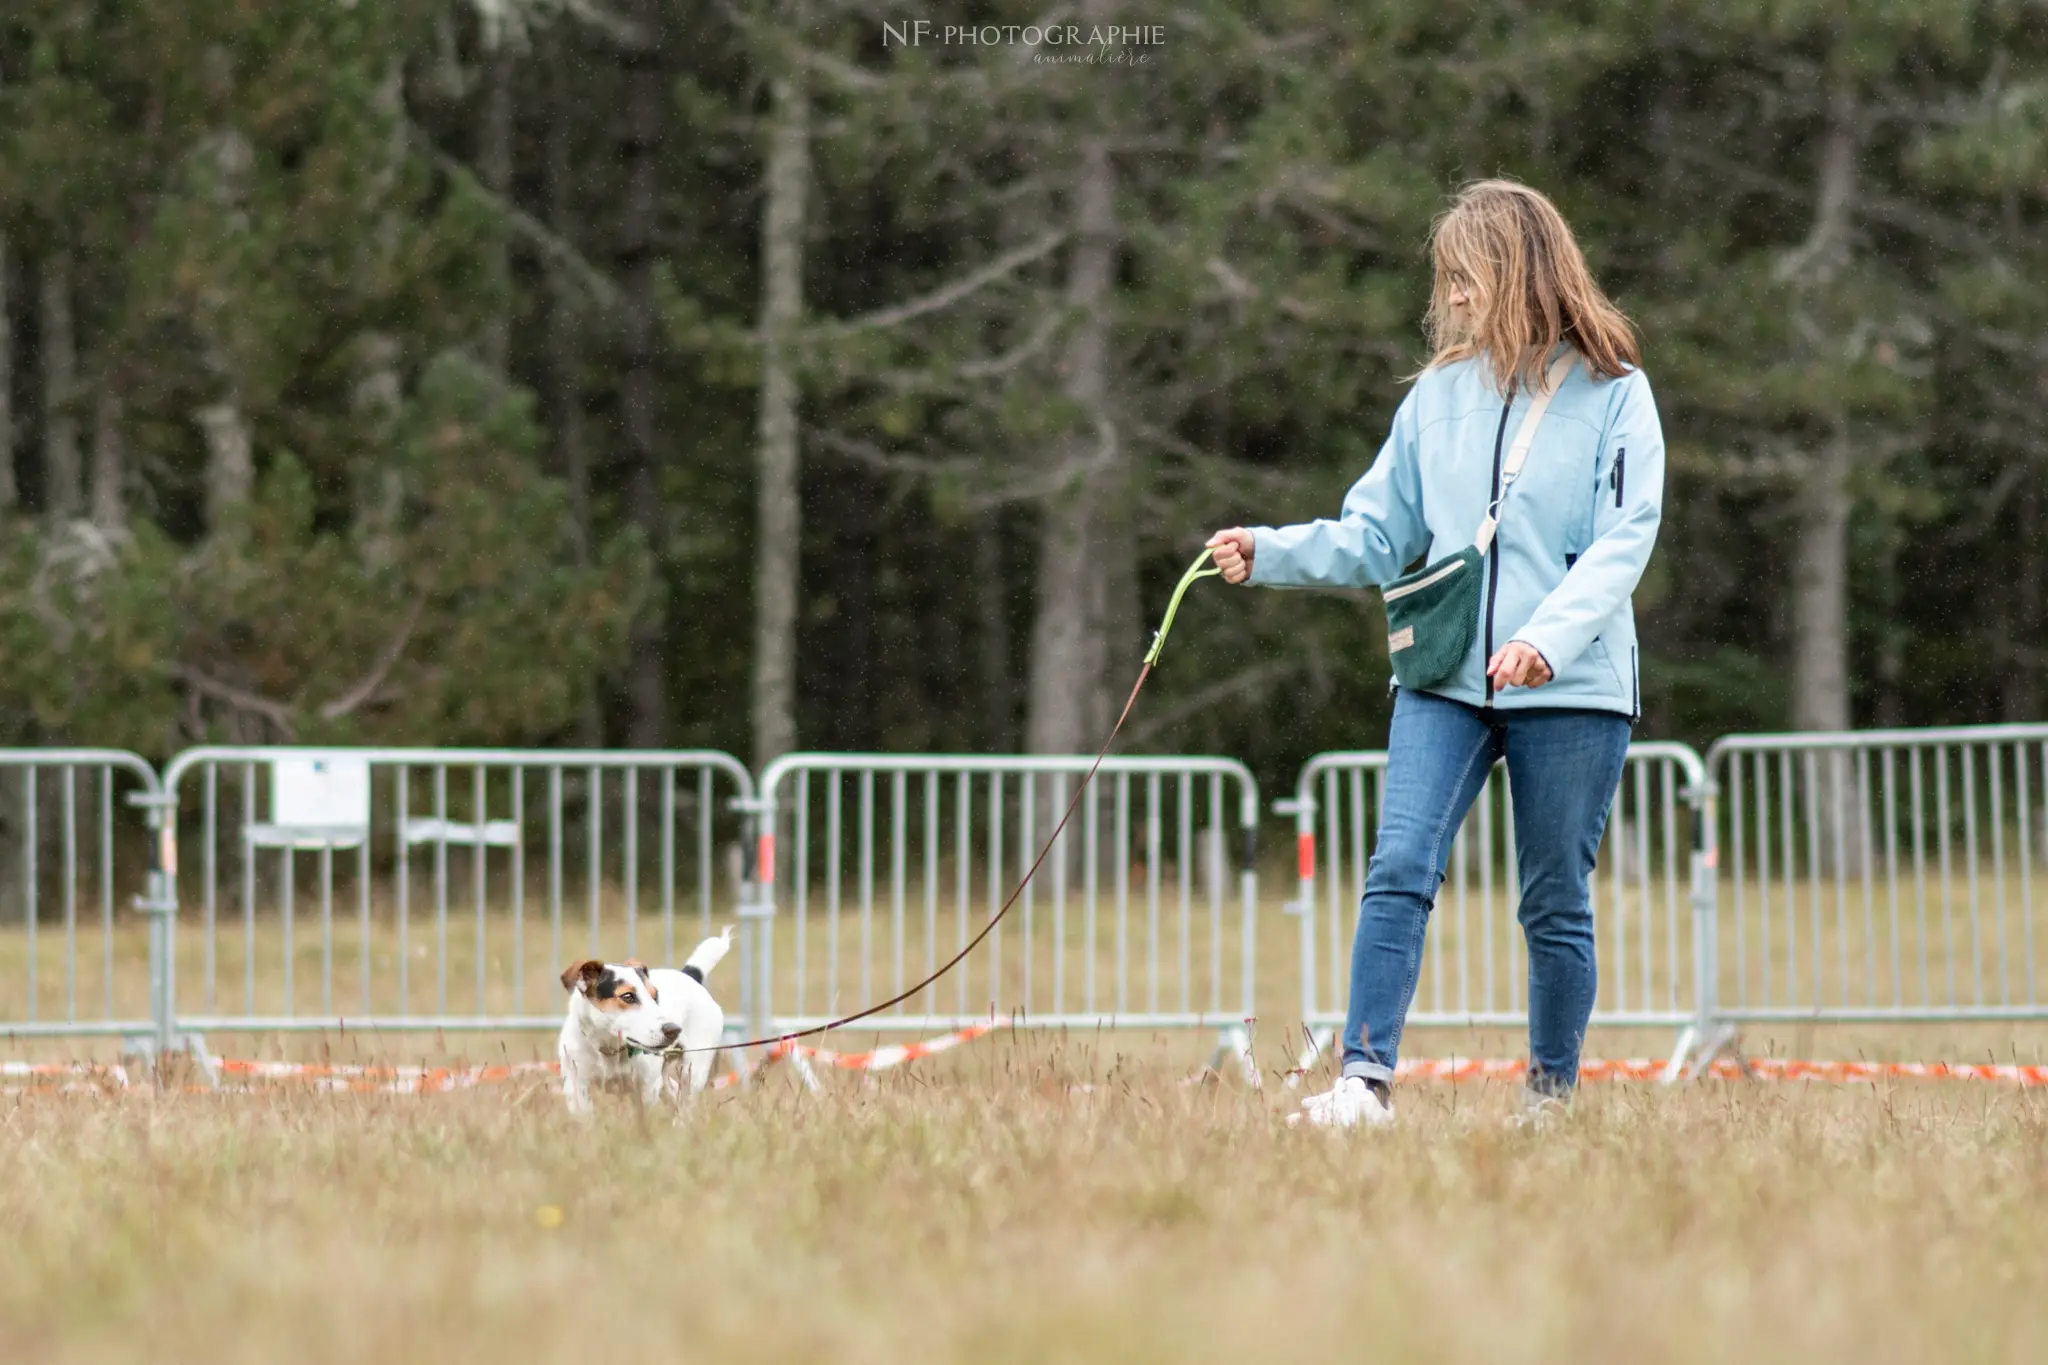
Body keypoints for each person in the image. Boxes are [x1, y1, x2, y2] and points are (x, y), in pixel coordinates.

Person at [1207, 179, 1665, 1127]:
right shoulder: (1434, 401)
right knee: (1399, 863)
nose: (1451, 299)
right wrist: (1270, 550)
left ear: (1520, 271)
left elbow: (1628, 537)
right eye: (1446, 280)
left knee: (1553, 900)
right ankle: (1361, 1083)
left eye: (1467, 277)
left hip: (1572, 684)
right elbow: (1372, 533)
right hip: (1445, 678)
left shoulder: (1618, 392)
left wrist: (1546, 639)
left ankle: (1551, 1099)